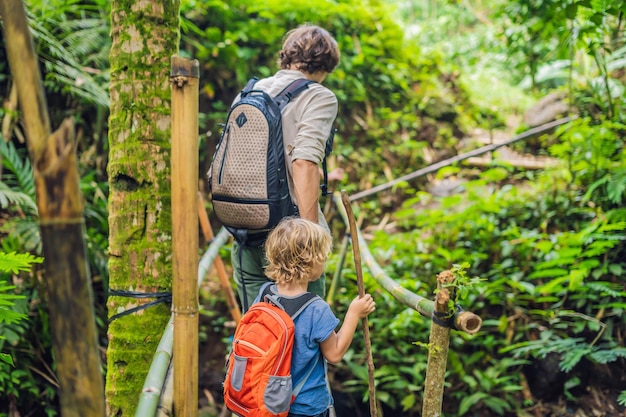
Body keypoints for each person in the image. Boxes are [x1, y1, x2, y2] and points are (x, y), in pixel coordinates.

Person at [232, 24, 341, 309]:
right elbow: (304, 162)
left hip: (244, 229)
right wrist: (309, 241)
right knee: (304, 339)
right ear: (327, 64)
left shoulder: (249, 92)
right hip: (292, 239)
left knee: (258, 333)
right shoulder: (318, 96)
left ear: (286, 57)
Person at [254, 217, 376, 417]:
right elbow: (334, 354)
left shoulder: (264, 293)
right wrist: (354, 313)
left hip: (268, 399)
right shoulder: (316, 309)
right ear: (313, 261)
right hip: (305, 406)